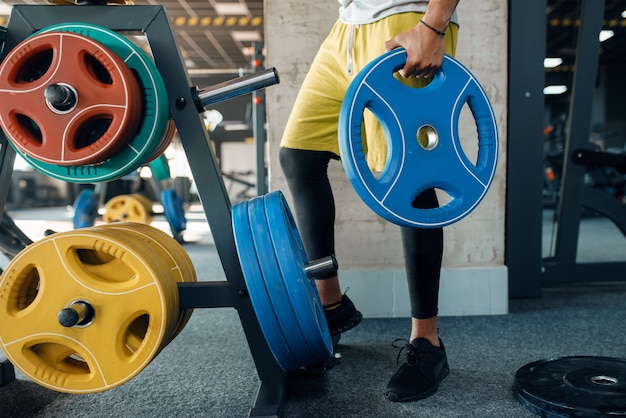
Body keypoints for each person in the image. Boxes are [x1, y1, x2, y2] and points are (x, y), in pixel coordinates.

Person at [279, 0, 460, 402]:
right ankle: (331, 304)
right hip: (347, 28)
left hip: (405, 21)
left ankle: (427, 342)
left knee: (411, 179)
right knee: (299, 153)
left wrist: (433, 25)